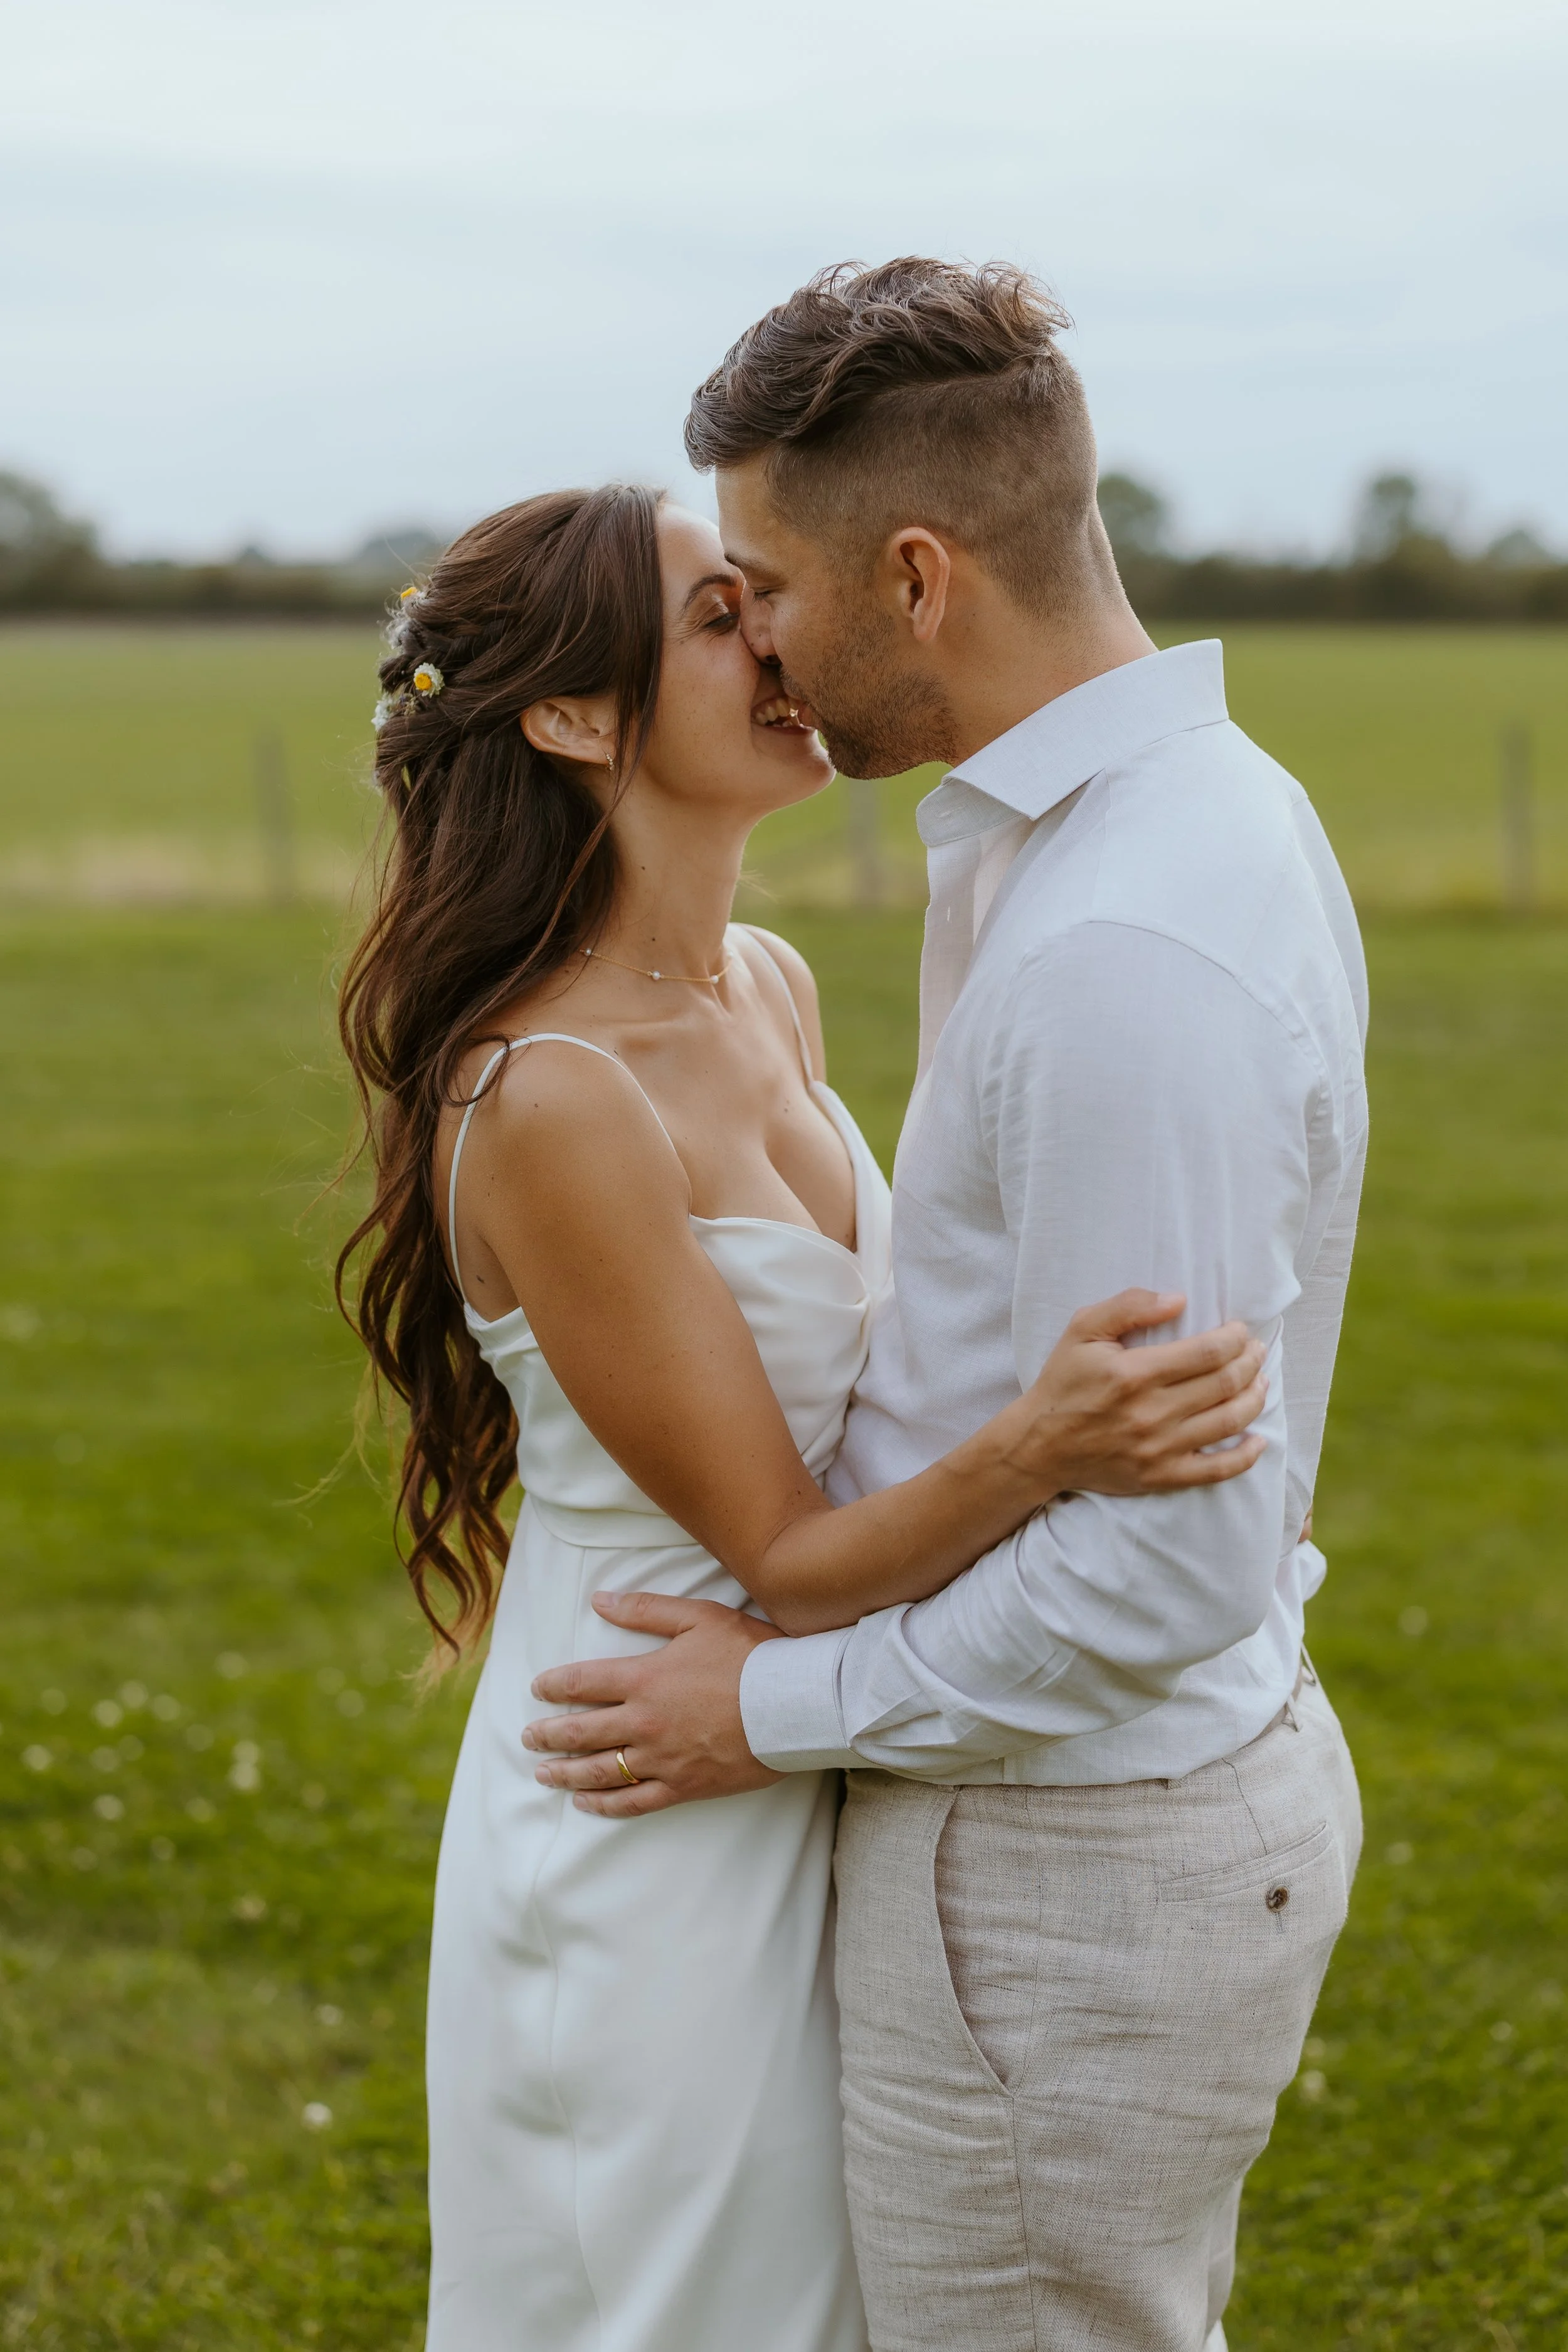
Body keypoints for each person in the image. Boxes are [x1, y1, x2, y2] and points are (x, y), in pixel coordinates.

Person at [524, 260, 1369, 2352]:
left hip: (1059, 1868)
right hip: (1071, 1819)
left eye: (765, 591)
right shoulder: (1127, 833)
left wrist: (765, 1708)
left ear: (914, 576)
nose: (760, 646)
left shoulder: (1118, 943)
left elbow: (1162, 1563)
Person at [336, 480, 1273, 2352]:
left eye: (755, 598)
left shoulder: (771, 985)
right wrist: (1046, 1442)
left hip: (806, 1745)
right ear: (570, 715)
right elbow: (782, 1552)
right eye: (717, 616)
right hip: (649, 1774)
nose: (777, 643)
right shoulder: (555, 1095)